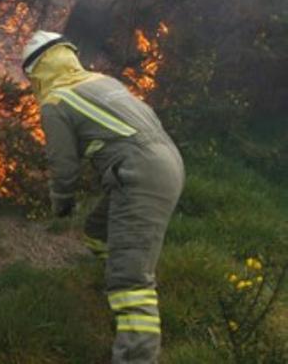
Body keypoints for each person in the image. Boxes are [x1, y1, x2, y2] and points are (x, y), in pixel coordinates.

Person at [22, 30, 185, 363]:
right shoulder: (103, 81)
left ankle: (136, 351)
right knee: (97, 232)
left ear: (37, 72)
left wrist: (61, 203)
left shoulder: (56, 101)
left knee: (130, 281)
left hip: (139, 174)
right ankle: (119, 278)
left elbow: (63, 165)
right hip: (169, 160)